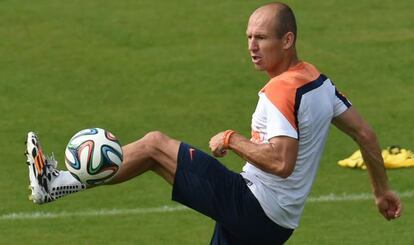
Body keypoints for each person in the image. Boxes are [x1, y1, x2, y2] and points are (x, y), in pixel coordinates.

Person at [25, 2, 402, 244]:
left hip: (257, 207)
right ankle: (54, 187)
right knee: (157, 154)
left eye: (262, 38)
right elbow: (365, 134)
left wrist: (232, 139)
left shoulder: (280, 92)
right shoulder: (319, 82)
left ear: (287, 39)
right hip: (276, 224)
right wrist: (381, 190)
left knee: (156, 145)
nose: (252, 46)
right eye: (249, 37)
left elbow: (282, 163)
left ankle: (54, 185)